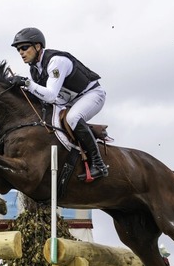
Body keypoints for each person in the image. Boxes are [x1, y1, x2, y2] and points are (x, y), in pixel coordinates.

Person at [9, 27, 109, 181]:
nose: (21, 52)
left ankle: (99, 164)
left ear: (38, 46)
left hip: (91, 94)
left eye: (24, 47)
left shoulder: (56, 62)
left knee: (73, 118)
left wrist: (26, 83)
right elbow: (43, 97)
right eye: (18, 50)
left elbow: (50, 95)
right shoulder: (35, 70)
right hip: (67, 101)